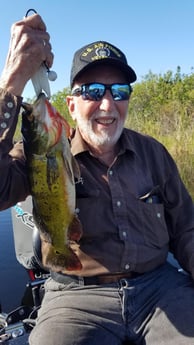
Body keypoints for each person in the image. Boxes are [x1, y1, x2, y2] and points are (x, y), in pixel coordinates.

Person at [0, 13, 194, 345]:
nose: (107, 103)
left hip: (161, 288)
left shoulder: (154, 153)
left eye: (119, 91)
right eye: (91, 91)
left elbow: (187, 230)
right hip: (74, 298)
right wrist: (12, 83)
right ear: (71, 106)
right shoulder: (37, 153)